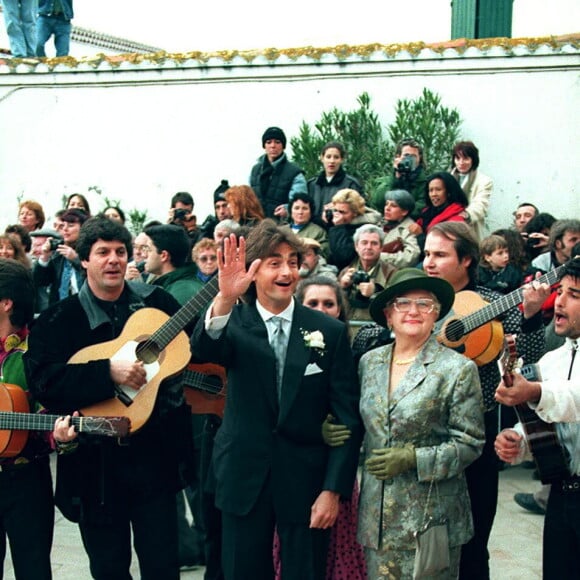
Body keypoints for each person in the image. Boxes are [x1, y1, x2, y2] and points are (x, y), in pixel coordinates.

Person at [190, 219, 362, 579]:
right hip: (242, 478)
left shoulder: (327, 330)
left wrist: (333, 490)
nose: (286, 271)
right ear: (253, 270)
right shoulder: (231, 321)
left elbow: (346, 416)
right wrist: (224, 298)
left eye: (292, 261)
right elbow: (204, 349)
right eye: (274, 262)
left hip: (306, 480)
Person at [24, 216, 194, 579]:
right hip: (93, 467)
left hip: (155, 460)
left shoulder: (157, 302)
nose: (113, 260)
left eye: (120, 251)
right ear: (84, 260)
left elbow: (194, 345)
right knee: (108, 568)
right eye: (102, 252)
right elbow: (44, 382)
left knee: (164, 566)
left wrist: (225, 298)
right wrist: (107, 372)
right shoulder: (57, 319)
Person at [422, 222, 546, 579]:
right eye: (427, 253)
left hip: (476, 435)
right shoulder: (417, 299)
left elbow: (528, 354)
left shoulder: (492, 302)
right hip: (421, 434)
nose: (429, 262)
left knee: (473, 540)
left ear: (467, 260)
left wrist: (532, 315)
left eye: (440, 255)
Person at [357, 268, 485, 578]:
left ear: (436, 314)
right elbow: (369, 429)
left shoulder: (458, 369)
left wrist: (414, 459)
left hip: (429, 518)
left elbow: (470, 444)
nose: (414, 311)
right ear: (389, 314)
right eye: (403, 303)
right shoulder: (369, 363)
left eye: (425, 303)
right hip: (377, 517)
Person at [494, 257, 580, 579]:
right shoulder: (553, 358)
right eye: (560, 291)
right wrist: (519, 442)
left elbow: (574, 398)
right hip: (563, 495)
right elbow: (548, 426)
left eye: (574, 295)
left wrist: (534, 392)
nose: (558, 301)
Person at [0, 259, 54, 579]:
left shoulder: (37, 352)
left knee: (32, 569)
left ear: (6, 303)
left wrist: (58, 434)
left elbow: (50, 411)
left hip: (25, 480)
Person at [338, 224, 397, 331]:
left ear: (381, 247)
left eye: (374, 243)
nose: (368, 247)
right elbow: (336, 307)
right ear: (356, 246)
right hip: (348, 329)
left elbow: (395, 305)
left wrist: (375, 292)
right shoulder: (346, 272)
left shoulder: (391, 272)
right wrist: (342, 288)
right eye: (364, 243)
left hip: (376, 331)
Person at [33, 207, 88, 305]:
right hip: (60, 310)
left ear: (84, 228)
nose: (65, 229)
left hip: (86, 309)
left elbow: (96, 278)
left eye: (71, 225)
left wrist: (76, 260)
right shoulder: (57, 252)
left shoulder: (91, 251)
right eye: (63, 226)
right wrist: (44, 257)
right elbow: (40, 281)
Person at [249, 126, 307, 220]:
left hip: (282, 227)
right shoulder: (255, 171)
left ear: (283, 146)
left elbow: (300, 203)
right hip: (256, 225)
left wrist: (288, 209)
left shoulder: (295, 174)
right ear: (264, 146)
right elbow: (248, 198)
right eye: (268, 142)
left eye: (277, 142)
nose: (273, 146)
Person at [409, 171, 469, 252]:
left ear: (449, 192)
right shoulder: (427, 212)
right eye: (430, 190)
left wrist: (420, 235)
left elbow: (442, 250)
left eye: (438, 189)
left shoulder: (456, 220)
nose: (433, 194)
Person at [369, 138, 428, 219]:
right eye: (406, 156)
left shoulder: (425, 183)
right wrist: (396, 177)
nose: (409, 160)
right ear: (398, 157)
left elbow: (423, 207)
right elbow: (378, 202)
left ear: (419, 158)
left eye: (413, 156)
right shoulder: (386, 181)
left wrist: (399, 212)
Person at [326, 188, 381, 271]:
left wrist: (338, 227)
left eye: (343, 212)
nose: (337, 215)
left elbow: (342, 257)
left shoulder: (364, 229)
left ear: (355, 213)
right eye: (335, 210)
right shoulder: (343, 223)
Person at [144, 224, 200, 305]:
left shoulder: (182, 292)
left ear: (164, 256)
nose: (144, 255)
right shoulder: (174, 286)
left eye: (148, 249)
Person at [307, 141, 364, 220]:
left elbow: (359, 211)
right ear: (322, 158)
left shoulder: (351, 184)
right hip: (315, 229)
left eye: (336, 157)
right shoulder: (312, 185)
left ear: (342, 159)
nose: (332, 161)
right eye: (328, 157)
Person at [450, 140, 493, 240]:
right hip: (447, 226)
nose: (461, 162)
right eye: (458, 158)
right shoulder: (446, 178)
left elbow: (481, 204)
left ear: (473, 159)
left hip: (470, 227)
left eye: (465, 158)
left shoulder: (484, 181)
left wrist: (466, 215)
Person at [380, 189, 421, 268]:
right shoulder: (380, 223)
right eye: (386, 204)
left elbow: (411, 257)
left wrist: (379, 256)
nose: (387, 208)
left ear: (404, 212)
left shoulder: (410, 228)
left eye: (393, 205)